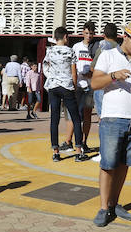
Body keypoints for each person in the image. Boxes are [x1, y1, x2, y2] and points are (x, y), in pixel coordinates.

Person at [91, 21, 131, 227]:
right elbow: (94, 83)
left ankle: (114, 203)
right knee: (108, 164)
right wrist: (114, 75)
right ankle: (103, 207)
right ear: (125, 37)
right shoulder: (108, 55)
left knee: (125, 164)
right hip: (112, 116)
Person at [43, 27, 87, 162]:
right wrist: (73, 86)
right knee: (76, 118)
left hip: (53, 86)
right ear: (66, 37)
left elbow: (45, 67)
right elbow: (74, 72)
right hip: (67, 86)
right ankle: (79, 151)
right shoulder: (70, 51)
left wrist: (51, 77)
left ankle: (56, 152)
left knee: (54, 119)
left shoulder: (49, 51)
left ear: (55, 38)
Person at [67, 21, 96, 151]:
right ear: (82, 33)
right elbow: (70, 65)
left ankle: (84, 142)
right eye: (86, 33)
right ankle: (68, 140)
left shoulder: (96, 48)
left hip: (90, 86)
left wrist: (92, 73)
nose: (88, 36)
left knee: (87, 114)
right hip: (77, 85)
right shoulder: (76, 47)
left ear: (94, 34)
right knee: (73, 113)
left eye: (90, 33)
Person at [90, 22, 120, 116]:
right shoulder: (121, 49)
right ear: (116, 35)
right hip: (118, 86)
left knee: (103, 116)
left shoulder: (102, 48)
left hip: (102, 86)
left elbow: (93, 68)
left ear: (104, 35)